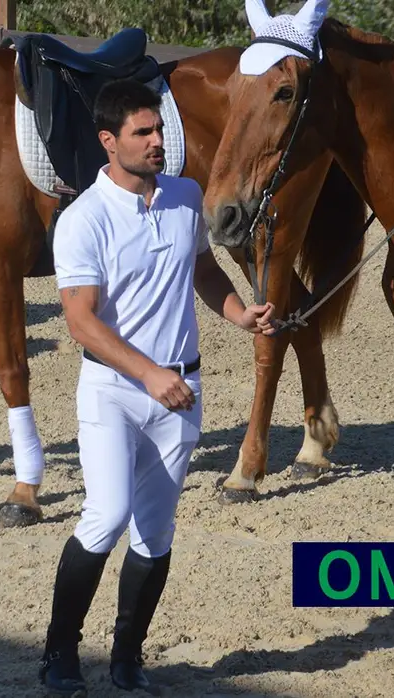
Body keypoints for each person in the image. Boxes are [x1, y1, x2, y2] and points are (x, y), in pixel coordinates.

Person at [37, 78, 276, 694]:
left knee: (156, 532)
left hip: (180, 393)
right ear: (108, 141)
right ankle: (60, 654)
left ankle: (127, 658)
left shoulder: (185, 195)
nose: (157, 141)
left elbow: (201, 268)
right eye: (143, 132)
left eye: (160, 129)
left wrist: (239, 313)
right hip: (115, 392)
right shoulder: (83, 219)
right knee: (106, 515)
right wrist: (148, 373)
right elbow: (81, 321)